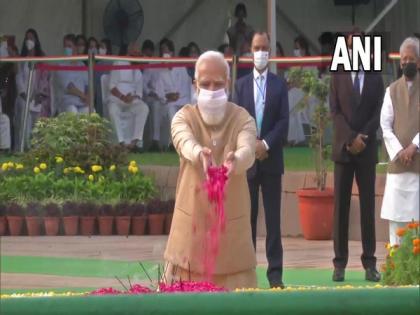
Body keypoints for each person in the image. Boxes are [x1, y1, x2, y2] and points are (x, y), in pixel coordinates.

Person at [164, 50, 257, 290]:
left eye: (218, 84)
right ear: (195, 86)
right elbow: (183, 141)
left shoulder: (242, 119)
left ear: (228, 84)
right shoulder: (183, 117)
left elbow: (248, 150)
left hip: (232, 249)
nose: (212, 90)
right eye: (205, 84)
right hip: (189, 245)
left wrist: (236, 160)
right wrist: (199, 154)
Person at [233, 31, 289, 289]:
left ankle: (275, 274)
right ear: (250, 50)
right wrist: (251, 146)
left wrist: (265, 144)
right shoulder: (241, 85)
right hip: (248, 164)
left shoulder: (279, 84)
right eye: (257, 47)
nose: (261, 52)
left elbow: (283, 121)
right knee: (248, 220)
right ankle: (248, 272)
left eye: (265, 47)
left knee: (274, 222)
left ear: (270, 51)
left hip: (272, 160)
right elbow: (237, 121)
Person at [329, 30, 384, 282]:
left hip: (367, 148)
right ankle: (339, 263)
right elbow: (335, 111)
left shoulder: (375, 76)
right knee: (340, 207)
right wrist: (351, 138)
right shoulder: (338, 74)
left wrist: (363, 137)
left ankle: (369, 263)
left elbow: (378, 111)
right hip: (344, 149)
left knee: (367, 208)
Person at [380, 37, 419, 245]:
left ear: (419, 62)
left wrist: (414, 146)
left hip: (418, 165)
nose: (406, 63)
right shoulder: (391, 90)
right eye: (403, 59)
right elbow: (385, 125)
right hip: (397, 166)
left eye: (411, 59)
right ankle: (395, 269)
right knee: (396, 222)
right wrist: (399, 152)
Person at [108, 42, 149, 152]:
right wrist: (122, 97)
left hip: (131, 101)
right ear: (129, 52)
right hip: (117, 99)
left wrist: (132, 98)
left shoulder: (138, 71)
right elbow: (111, 87)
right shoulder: (119, 63)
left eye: (138, 53)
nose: (137, 55)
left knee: (144, 108)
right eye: (135, 52)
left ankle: (134, 142)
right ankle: (121, 143)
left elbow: (139, 94)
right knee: (112, 110)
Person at [14, 28, 50, 150]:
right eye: (27, 38)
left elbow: (45, 79)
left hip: (38, 96)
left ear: (36, 40)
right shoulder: (21, 58)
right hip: (24, 95)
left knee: (38, 116)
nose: (29, 41)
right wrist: (24, 94)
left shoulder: (42, 57)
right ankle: (25, 146)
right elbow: (18, 77)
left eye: (31, 38)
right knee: (25, 109)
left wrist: (39, 94)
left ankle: (37, 148)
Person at [157, 38, 191, 129]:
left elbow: (186, 87)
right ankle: (176, 140)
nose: (163, 54)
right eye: (162, 52)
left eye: (166, 51)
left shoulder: (181, 67)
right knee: (171, 110)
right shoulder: (160, 72)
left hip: (184, 100)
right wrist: (168, 96)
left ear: (172, 53)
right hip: (169, 103)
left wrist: (177, 96)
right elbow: (160, 93)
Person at [142, 39, 166, 151]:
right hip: (153, 97)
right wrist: (151, 92)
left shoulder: (176, 65)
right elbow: (144, 84)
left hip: (170, 99)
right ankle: (155, 142)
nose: (164, 52)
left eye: (167, 50)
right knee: (156, 104)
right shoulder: (153, 64)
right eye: (162, 50)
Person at [56, 34, 89, 114]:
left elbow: (87, 85)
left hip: (82, 102)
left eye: (69, 46)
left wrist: (88, 97)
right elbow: (69, 87)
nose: (66, 48)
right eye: (65, 46)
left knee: (91, 112)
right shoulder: (60, 65)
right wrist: (84, 96)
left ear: (75, 47)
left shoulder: (82, 65)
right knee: (72, 111)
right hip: (67, 102)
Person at [94, 38, 113, 117]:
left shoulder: (113, 63)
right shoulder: (97, 64)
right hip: (98, 95)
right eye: (99, 47)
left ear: (107, 49)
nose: (100, 49)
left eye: (102, 47)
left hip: (110, 95)